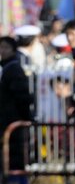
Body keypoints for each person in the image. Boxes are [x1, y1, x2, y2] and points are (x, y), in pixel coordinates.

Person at [0, 36, 35, 174]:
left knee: (15, 155)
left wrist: (24, 116)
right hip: (8, 119)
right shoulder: (7, 68)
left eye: (6, 47)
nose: (2, 51)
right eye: (1, 47)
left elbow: (22, 96)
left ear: (14, 50)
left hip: (13, 119)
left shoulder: (13, 69)